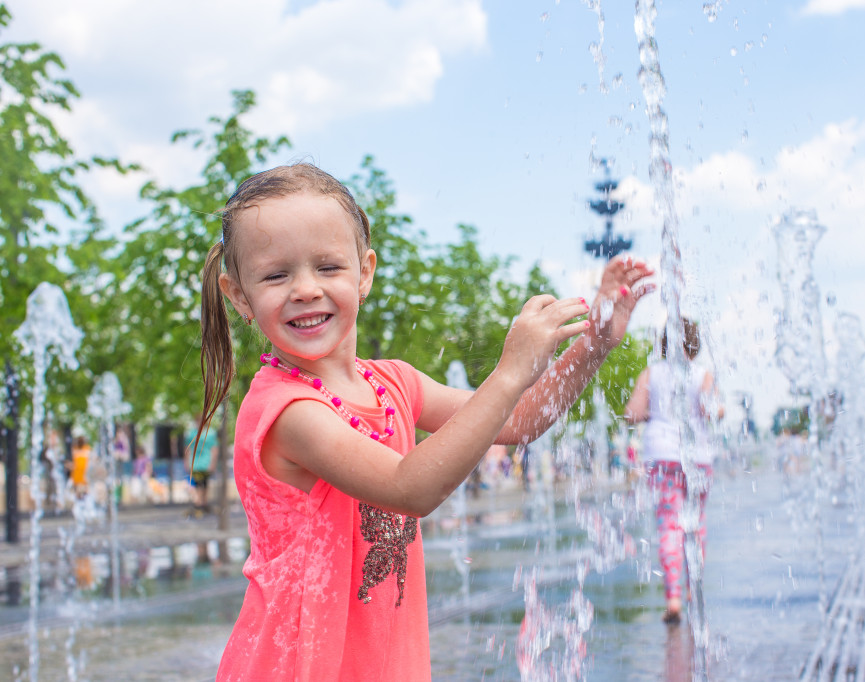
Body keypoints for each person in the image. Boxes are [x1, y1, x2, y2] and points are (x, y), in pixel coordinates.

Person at [197, 162, 655, 681]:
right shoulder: (286, 411)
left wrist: (596, 342)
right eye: (277, 274)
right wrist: (508, 373)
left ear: (364, 271)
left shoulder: (394, 383)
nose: (305, 289)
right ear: (239, 296)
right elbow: (410, 487)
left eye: (328, 267)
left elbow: (520, 420)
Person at [624, 320, 723, 625]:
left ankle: (674, 599)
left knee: (669, 525)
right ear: (695, 344)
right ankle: (693, 590)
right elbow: (713, 410)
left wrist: (655, 412)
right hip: (697, 456)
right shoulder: (702, 374)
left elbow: (632, 414)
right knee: (697, 523)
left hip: (662, 456)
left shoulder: (650, 374)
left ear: (664, 343)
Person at [185, 413, 219, 518]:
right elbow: (188, 449)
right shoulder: (192, 433)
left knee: (204, 483)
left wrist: (213, 463)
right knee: (198, 483)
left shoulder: (211, 433)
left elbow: (214, 449)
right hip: (195, 463)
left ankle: (202, 503)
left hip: (206, 463)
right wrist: (186, 462)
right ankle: (199, 503)